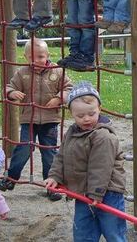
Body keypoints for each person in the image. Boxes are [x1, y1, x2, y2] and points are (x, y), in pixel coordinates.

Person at [45, 81, 127, 242]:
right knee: (83, 233)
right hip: (83, 193)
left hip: (107, 193)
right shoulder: (72, 132)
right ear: (72, 114)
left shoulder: (103, 136)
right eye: (80, 116)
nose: (86, 119)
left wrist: (96, 193)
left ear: (99, 109)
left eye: (91, 114)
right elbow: (62, 156)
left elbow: (101, 168)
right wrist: (55, 176)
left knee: (113, 232)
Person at [0, 38, 73, 202]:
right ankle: (10, 179)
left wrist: (59, 98)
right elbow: (8, 87)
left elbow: (69, 88)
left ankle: (52, 186)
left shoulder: (57, 71)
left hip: (50, 120)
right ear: (25, 58)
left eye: (40, 56)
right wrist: (12, 93)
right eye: (32, 57)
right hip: (28, 120)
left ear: (47, 55)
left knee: (49, 153)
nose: (36, 60)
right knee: (23, 149)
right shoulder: (22, 73)